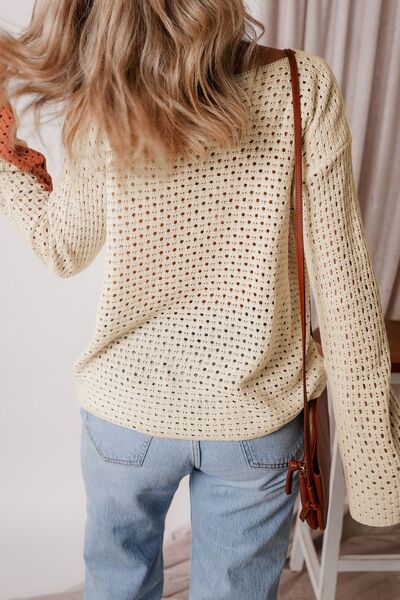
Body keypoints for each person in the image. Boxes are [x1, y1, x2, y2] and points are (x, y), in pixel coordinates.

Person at [0, 1, 399, 599]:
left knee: (116, 586)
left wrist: (8, 162)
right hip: (255, 419)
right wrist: (375, 474)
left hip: (126, 417)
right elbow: (347, 295)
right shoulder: (301, 85)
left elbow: (63, 248)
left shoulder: (105, 96)